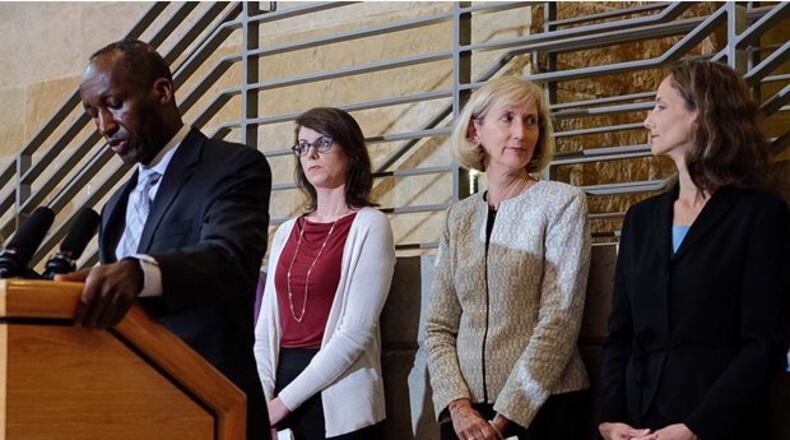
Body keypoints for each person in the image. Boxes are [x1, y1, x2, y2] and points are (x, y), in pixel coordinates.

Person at [59, 39, 272, 440]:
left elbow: (230, 258)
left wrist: (139, 273)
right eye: (93, 114)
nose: (104, 126)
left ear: (161, 91)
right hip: (135, 414)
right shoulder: (116, 206)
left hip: (212, 412)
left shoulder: (231, 166)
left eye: (114, 104)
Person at [598, 60, 788, 440]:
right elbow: (620, 334)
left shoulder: (760, 215)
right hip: (638, 422)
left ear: (700, 114)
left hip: (721, 425)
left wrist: (694, 429)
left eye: (660, 106)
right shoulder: (640, 219)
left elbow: (763, 343)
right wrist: (609, 419)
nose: (647, 121)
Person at [424, 76, 591, 440]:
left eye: (531, 121)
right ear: (475, 130)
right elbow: (437, 326)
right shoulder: (459, 216)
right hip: (466, 420)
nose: (521, 132)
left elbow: (559, 322)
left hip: (546, 410)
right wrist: (458, 407)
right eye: (508, 118)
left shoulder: (562, 202)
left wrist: (505, 419)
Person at [254, 107, 396, 440]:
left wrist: (281, 404)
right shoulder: (288, 230)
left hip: (339, 394)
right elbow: (266, 328)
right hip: (280, 385)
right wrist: (261, 399)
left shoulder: (370, 226)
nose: (311, 153)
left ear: (351, 152)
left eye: (324, 142)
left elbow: (355, 333)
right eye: (302, 146)